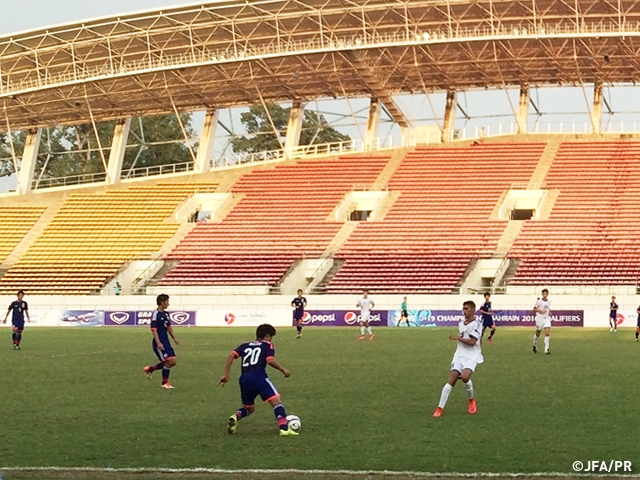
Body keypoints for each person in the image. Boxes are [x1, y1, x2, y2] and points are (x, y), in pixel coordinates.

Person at [218, 324, 298, 436]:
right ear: (267, 336)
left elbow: (231, 355)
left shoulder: (245, 345)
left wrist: (226, 374)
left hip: (244, 379)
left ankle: (235, 416)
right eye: (271, 337)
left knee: (249, 408)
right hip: (259, 377)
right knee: (276, 402)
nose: (271, 339)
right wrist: (283, 370)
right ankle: (284, 429)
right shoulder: (268, 345)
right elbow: (270, 360)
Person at [433, 300, 483, 417]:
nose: (464, 311)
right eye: (463, 309)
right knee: (452, 379)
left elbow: (472, 342)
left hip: (472, 355)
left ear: (473, 310)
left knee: (465, 377)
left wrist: (458, 338)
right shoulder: (461, 323)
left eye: (467, 309)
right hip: (460, 354)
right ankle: (439, 409)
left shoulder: (477, 324)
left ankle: (471, 400)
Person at [143, 294, 180, 389]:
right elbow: (154, 329)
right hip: (158, 342)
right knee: (169, 361)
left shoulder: (166, 314)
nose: (168, 303)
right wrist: (158, 342)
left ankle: (150, 369)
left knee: (173, 361)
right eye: (167, 302)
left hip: (166, 341)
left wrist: (174, 338)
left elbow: (169, 327)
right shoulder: (156, 314)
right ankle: (164, 383)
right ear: (162, 303)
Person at [533, 289, 551, 355]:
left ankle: (546, 349)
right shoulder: (539, 301)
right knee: (538, 333)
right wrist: (541, 311)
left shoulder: (549, 301)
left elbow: (548, 308)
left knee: (547, 333)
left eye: (546, 294)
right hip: (540, 319)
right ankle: (534, 344)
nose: (545, 295)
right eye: (544, 294)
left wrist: (549, 312)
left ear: (547, 294)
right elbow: (534, 309)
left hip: (546, 318)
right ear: (542, 294)